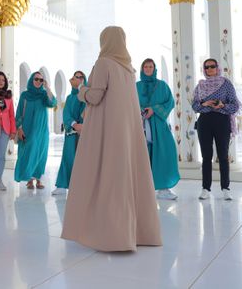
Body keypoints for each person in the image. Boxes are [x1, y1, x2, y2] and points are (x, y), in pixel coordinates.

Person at [62, 26, 162, 252]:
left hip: (107, 130)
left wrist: (81, 89)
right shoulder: (129, 69)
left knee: (105, 177)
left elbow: (95, 97)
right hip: (127, 132)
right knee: (126, 176)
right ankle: (136, 233)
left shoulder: (104, 63)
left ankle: (111, 235)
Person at [192, 58, 241, 201]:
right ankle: (205, 188)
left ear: (217, 67)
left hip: (222, 121)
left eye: (212, 66)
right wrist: (204, 103)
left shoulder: (226, 84)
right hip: (204, 122)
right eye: (206, 67)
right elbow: (195, 106)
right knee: (206, 157)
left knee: (223, 156)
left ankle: (225, 188)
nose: (209, 69)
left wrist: (222, 105)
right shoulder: (200, 86)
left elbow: (235, 106)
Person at [136, 58, 180, 200]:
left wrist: (154, 109)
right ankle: (142, 189)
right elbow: (129, 103)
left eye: (151, 67)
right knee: (142, 155)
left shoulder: (162, 86)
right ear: (142, 69)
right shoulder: (135, 86)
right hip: (140, 124)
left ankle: (163, 188)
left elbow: (170, 102)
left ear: (154, 69)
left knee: (165, 151)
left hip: (159, 125)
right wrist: (142, 111)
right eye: (146, 67)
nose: (148, 69)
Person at [14, 72, 57, 189]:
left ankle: (38, 179)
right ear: (31, 80)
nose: (38, 82)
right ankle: (29, 178)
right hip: (27, 129)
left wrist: (47, 87)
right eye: (36, 79)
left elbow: (53, 103)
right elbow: (18, 113)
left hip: (41, 130)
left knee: (41, 153)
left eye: (41, 80)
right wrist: (19, 128)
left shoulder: (44, 95)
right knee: (27, 152)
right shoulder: (25, 95)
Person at [52, 71, 86, 195]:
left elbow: (89, 110)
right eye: (76, 77)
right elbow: (66, 114)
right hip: (72, 132)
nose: (78, 79)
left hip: (85, 132)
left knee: (83, 159)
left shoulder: (87, 96)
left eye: (81, 77)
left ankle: (82, 186)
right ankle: (62, 185)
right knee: (68, 157)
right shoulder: (70, 97)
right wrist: (74, 125)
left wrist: (83, 125)